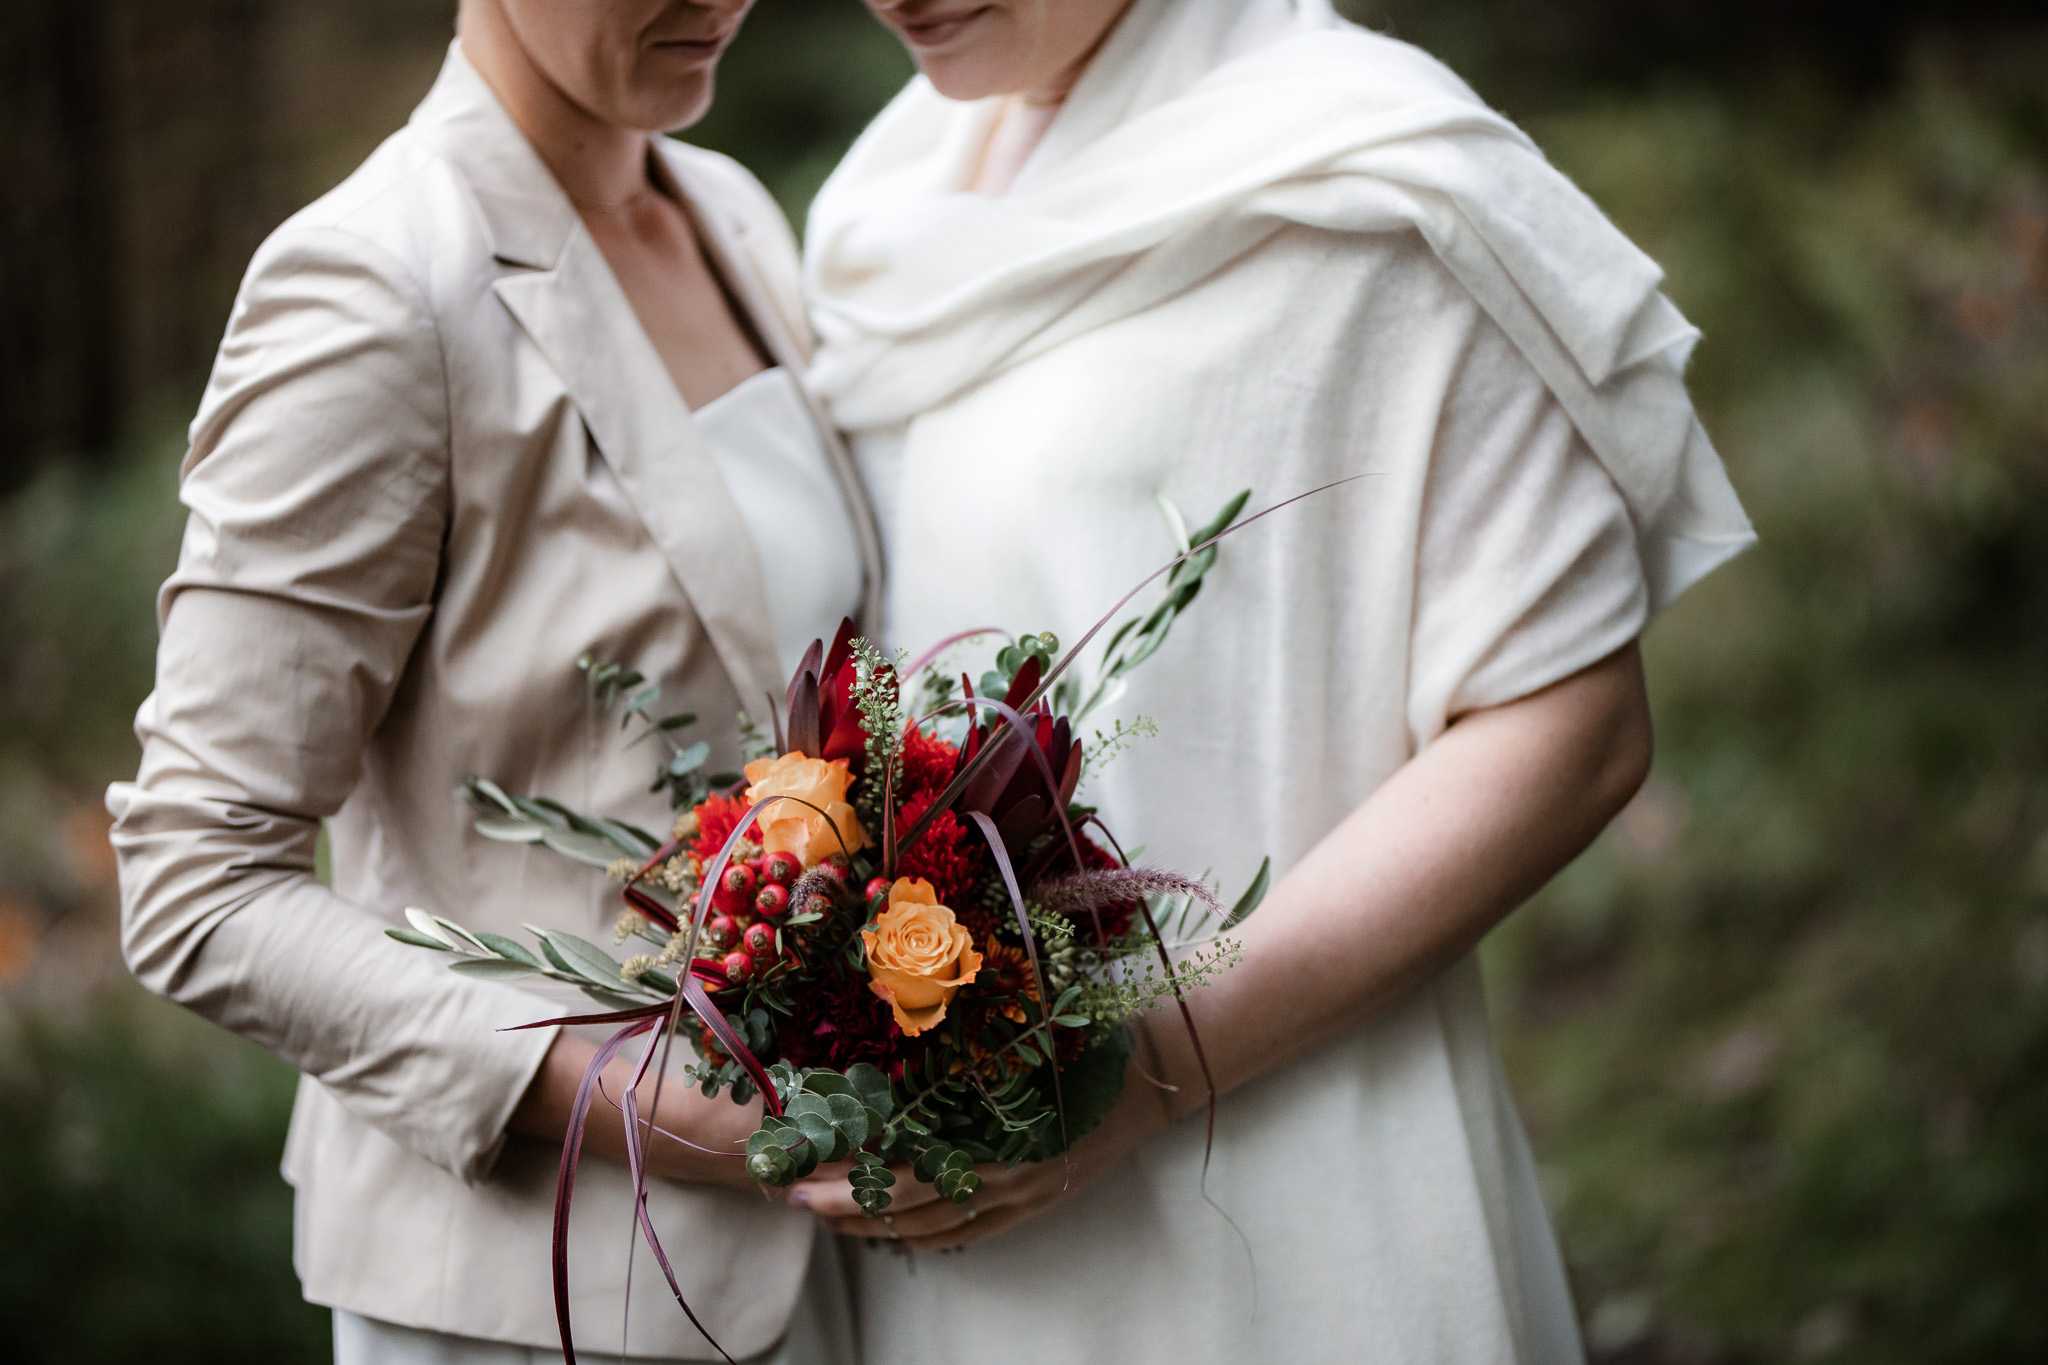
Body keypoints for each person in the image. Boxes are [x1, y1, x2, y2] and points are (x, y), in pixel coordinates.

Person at [793, 0, 1754, 1361]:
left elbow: (1574, 724)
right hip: (961, 1248)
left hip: (1294, 1188)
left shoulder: (1358, 174)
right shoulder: (886, 201)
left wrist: (1151, 1067)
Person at [105, 1, 880, 1361]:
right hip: (541, 1289)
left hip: (816, 1265)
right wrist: (644, 1107)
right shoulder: (371, 283)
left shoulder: (733, 212)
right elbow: (196, 876)